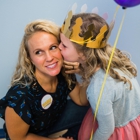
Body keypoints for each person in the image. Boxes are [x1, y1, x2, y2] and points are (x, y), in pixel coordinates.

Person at [0, 19, 89, 140]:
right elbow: (18, 138)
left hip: (51, 124)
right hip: (27, 136)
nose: (49, 58)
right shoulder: (20, 95)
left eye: (53, 47)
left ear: (62, 47)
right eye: (38, 52)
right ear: (30, 59)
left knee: (90, 107)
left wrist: (86, 72)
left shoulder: (63, 72)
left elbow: (81, 100)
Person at [59, 12, 140, 140]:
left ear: (83, 54)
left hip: (115, 132)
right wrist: (81, 70)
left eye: (64, 45)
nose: (59, 47)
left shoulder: (98, 89)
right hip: (130, 118)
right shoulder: (116, 60)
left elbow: (106, 129)